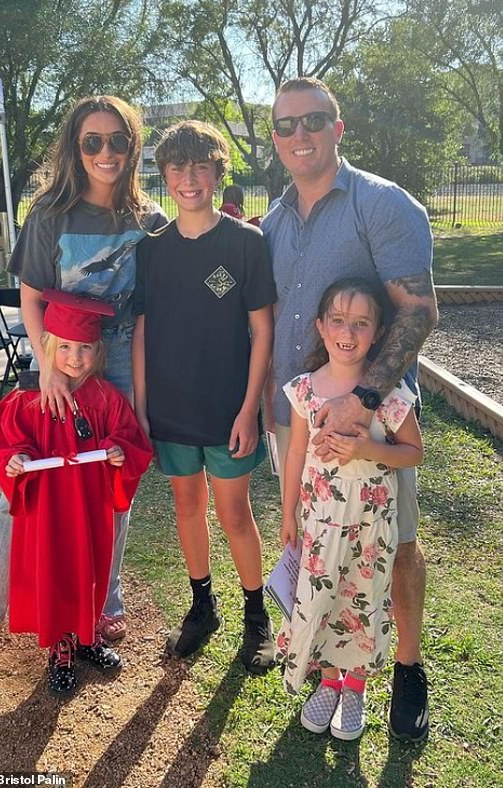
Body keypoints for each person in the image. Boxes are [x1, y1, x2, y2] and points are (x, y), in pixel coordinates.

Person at [0, 95, 167, 662]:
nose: (105, 151)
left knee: (113, 484)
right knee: (22, 486)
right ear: (75, 147)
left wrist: (138, 404)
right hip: (54, 353)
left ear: (132, 146)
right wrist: (47, 369)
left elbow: (142, 319)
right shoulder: (51, 212)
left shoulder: (146, 222)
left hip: (115, 356)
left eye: (117, 140)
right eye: (92, 140)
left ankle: (103, 601)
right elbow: (29, 297)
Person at [261, 77, 438, 741]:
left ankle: (408, 669)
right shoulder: (274, 220)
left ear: (338, 127)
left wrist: (364, 407)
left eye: (312, 120)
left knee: (394, 548)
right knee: (316, 542)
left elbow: (418, 310)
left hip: (376, 419)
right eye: (284, 125)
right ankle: (333, 660)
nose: (298, 135)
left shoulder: (382, 205)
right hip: (301, 413)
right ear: (274, 139)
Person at [132, 120, 277, 674]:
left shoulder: (245, 244)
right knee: (187, 508)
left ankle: (256, 616)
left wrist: (248, 411)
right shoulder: (152, 251)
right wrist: (144, 407)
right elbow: (143, 330)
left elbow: (261, 331)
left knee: (234, 513)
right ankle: (202, 606)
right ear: (164, 174)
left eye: (200, 167)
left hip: (227, 411)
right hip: (170, 410)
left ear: (218, 172)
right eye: (177, 167)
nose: (188, 178)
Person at [276, 277, 424, 740]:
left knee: (361, 600)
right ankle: (326, 682)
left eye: (361, 322)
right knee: (323, 599)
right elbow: (296, 456)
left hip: (370, 525)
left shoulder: (387, 394)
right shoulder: (304, 390)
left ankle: (354, 688)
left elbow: (413, 452)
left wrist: (367, 451)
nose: (348, 330)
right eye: (338, 320)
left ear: (378, 332)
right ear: (320, 327)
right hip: (320, 523)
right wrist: (287, 513)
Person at [0, 290, 152, 695]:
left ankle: (87, 634)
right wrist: (16, 460)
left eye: (85, 348)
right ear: (47, 345)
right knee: (56, 568)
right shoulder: (28, 399)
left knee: (92, 566)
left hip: (89, 507)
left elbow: (130, 440)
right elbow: (11, 444)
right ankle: (60, 646)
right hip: (49, 509)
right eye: (65, 346)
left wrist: (118, 450)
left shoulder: (105, 399)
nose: (75, 357)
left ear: (98, 351)